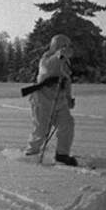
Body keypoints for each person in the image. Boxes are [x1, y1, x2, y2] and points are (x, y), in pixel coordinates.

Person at [24, 34, 77, 166]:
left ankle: (62, 154)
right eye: (63, 46)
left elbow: (67, 81)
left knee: (67, 124)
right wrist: (59, 55)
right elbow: (47, 68)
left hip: (59, 101)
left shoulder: (66, 63)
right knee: (41, 130)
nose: (66, 48)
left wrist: (68, 97)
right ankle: (32, 153)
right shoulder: (46, 59)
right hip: (42, 100)